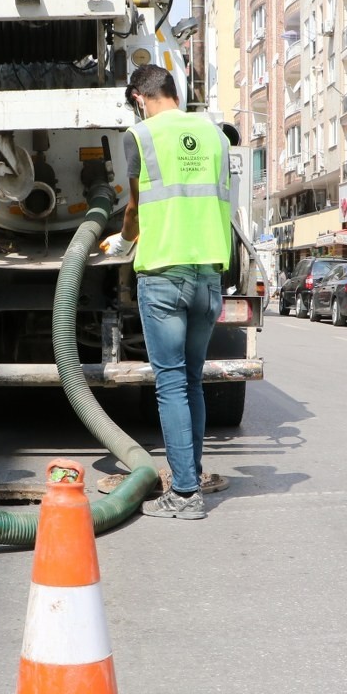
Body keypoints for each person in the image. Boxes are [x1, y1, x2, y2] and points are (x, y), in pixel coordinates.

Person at [102, 64, 233, 521]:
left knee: (171, 384)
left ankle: (184, 493)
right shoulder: (216, 135)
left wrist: (122, 240)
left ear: (139, 96)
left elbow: (136, 207)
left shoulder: (139, 136)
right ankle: (190, 475)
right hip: (209, 276)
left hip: (162, 274)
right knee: (191, 381)